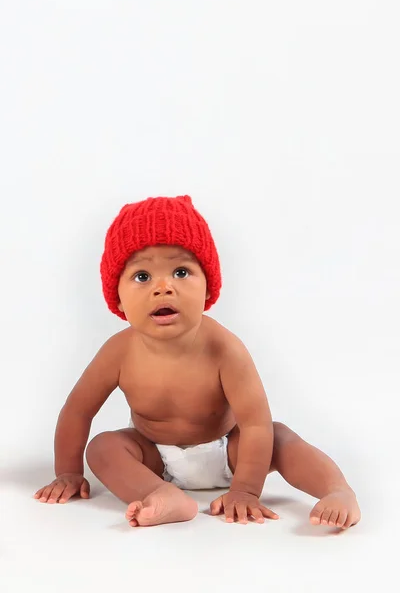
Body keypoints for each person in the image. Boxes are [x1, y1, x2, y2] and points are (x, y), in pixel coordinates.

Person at [34, 195, 361, 529]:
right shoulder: (118, 352)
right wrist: (68, 472)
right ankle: (159, 494)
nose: (163, 288)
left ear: (208, 287)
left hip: (229, 454)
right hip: (154, 460)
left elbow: (255, 424)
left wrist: (246, 490)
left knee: (280, 438)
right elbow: (78, 411)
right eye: (142, 277)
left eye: (180, 272)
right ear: (117, 297)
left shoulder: (224, 348)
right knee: (103, 447)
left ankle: (336, 490)